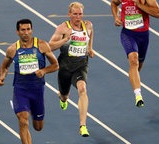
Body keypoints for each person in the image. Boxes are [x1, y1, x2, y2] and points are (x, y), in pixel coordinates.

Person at [0, 19, 59, 144]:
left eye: (28, 29)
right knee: (23, 120)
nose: (26, 32)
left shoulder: (41, 45)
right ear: (17, 32)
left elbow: (56, 65)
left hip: (37, 91)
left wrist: (44, 71)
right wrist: (2, 76)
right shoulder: (13, 49)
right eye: (23, 30)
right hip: (21, 90)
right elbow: (5, 65)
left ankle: (32, 111)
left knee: (38, 127)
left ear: (32, 30)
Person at [48, 2, 94, 137]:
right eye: (75, 14)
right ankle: (62, 98)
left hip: (81, 64)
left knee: (82, 89)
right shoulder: (62, 28)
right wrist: (66, 39)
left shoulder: (88, 25)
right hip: (65, 66)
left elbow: (90, 35)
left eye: (80, 14)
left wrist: (90, 48)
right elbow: (50, 47)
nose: (78, 17)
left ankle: (83, 125)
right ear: (69, 14)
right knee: (64, 95)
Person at [111, 0, 159, 107]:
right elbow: (114, 3)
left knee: (138, 65)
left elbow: (157, 13)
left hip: (143, 36)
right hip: (128, 34)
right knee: (134, 60)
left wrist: (139, 5)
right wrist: (116, 17)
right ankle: (138, 95)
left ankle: (134, 78)